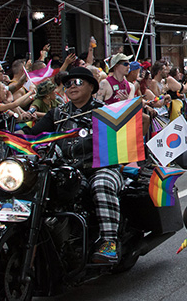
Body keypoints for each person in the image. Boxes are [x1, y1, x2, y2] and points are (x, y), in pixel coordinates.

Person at [26, 67, 122, 263]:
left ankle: (109, 242)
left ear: (91, 87)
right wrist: (7, 133)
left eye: (77, 82)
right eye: (68, 83)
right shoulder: (57, 113)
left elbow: (120, 144)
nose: (71, 87)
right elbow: (32, 135)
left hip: (100, 169)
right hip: (66, 171)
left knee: (102, 184)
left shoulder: (105, 112)